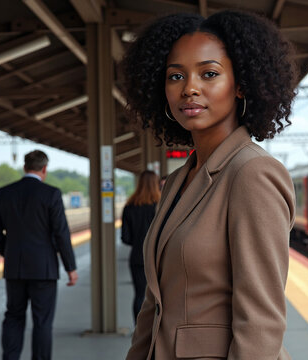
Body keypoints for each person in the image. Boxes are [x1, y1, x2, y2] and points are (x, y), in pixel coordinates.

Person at [123, 10, 297, 360]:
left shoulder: (253, 173)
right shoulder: (175, 183)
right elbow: (153, 304)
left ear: (241, 84)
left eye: (209, 74)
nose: (189, 88)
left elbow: (260, 323)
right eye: (175, 76)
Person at [0, 150, 78, 360]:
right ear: (44, 169)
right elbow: (61, 233)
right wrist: (70, 268)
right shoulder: (51, 194)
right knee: (43, 321)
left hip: (15, 268)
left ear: (25, 167)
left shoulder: (4, 193)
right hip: (44, 269)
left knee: (13, 316)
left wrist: (9, 252)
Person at [121, 170, 161, 324]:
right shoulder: (161, 205)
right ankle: (155, 328)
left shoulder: (130, 206)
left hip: (137, 257)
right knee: (158, 295)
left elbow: (125, 238)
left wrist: (139, 243)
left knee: (139, 295)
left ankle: (138, 329)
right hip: (158, 257)